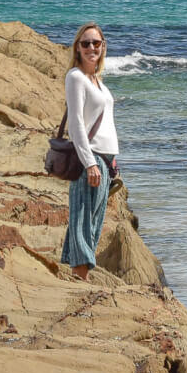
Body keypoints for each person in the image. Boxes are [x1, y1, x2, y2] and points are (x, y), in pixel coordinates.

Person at [61, 22, 119, 279]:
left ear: (103, 47)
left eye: (96, 43)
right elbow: (75, 124)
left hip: (105, 161)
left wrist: (111, 163)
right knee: (83, 223)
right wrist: (89, 163)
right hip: (92, 160)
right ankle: (79, 280)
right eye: (86, 43)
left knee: (92, 226)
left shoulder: (99, 82)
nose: (91, 48)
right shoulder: (76, 77)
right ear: (77, 47)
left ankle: (76, 279)